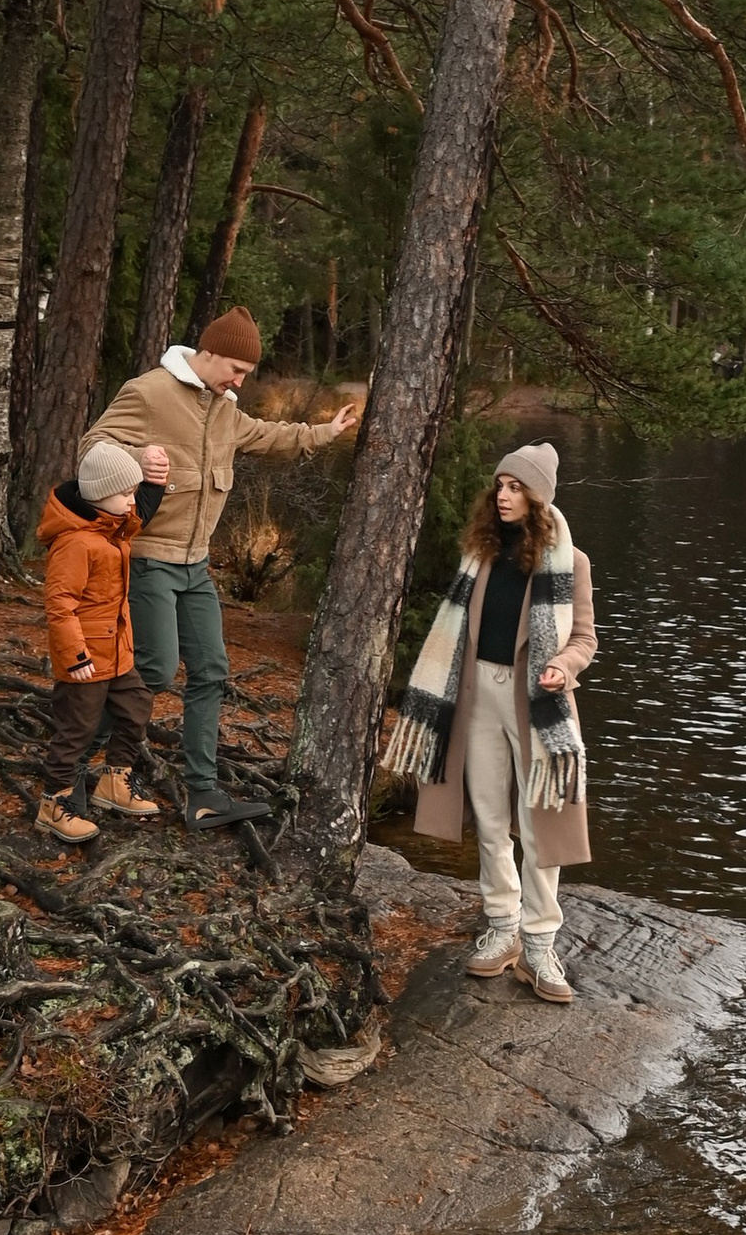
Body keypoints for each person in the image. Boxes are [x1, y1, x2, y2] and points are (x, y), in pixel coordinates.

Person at [82, 306, 361, 827]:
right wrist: (138, 461)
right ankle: (83, 768)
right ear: (206, 353)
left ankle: (202, 793)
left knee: (211, 671)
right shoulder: (149, 392)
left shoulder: (224, 409)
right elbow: (93, 446)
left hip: (196, 568)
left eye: (246, 374)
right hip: (148, 561)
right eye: (234, 368)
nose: (239, 380)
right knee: (156, 670)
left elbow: (268, 435)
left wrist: (326, 432)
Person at [380, 441, 596, 1002]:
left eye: (515, 487)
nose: (503, 495)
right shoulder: (477, 555)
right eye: (499, 485)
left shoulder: (570, 563)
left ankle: (540, 944)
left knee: (539, 820)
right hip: (477, 694)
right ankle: (502, 929)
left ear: (538, 497)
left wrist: (562, 666)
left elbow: (585, 639)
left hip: (537, 703)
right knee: (492, 820)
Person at [34, 435, 171, 847]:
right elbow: (59, 604)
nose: (132, 501)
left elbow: (140, 511)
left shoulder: (112, 531)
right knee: (76, 731)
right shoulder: (77, 542)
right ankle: (54, 806)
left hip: (118, 654)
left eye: (133, 492)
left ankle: (114, 783)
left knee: (136, 707)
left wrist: (155, 483)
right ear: (98, 496)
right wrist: (75, 655)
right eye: (125, 493)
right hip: (85, 659)